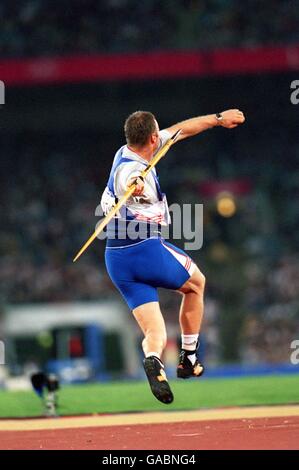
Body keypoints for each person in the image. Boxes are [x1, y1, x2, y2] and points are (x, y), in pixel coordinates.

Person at [101, 109, 245, 404]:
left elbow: (182, 129)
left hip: (117, 260)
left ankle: (154, 360)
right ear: (153, 138)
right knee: (196, 284)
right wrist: (135, 187)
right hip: (143, 248)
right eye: (159, 133)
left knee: (155, 331)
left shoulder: (126, 149)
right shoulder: (129, 169)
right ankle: (189, 358)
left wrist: (217, 118)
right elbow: (128, 181)